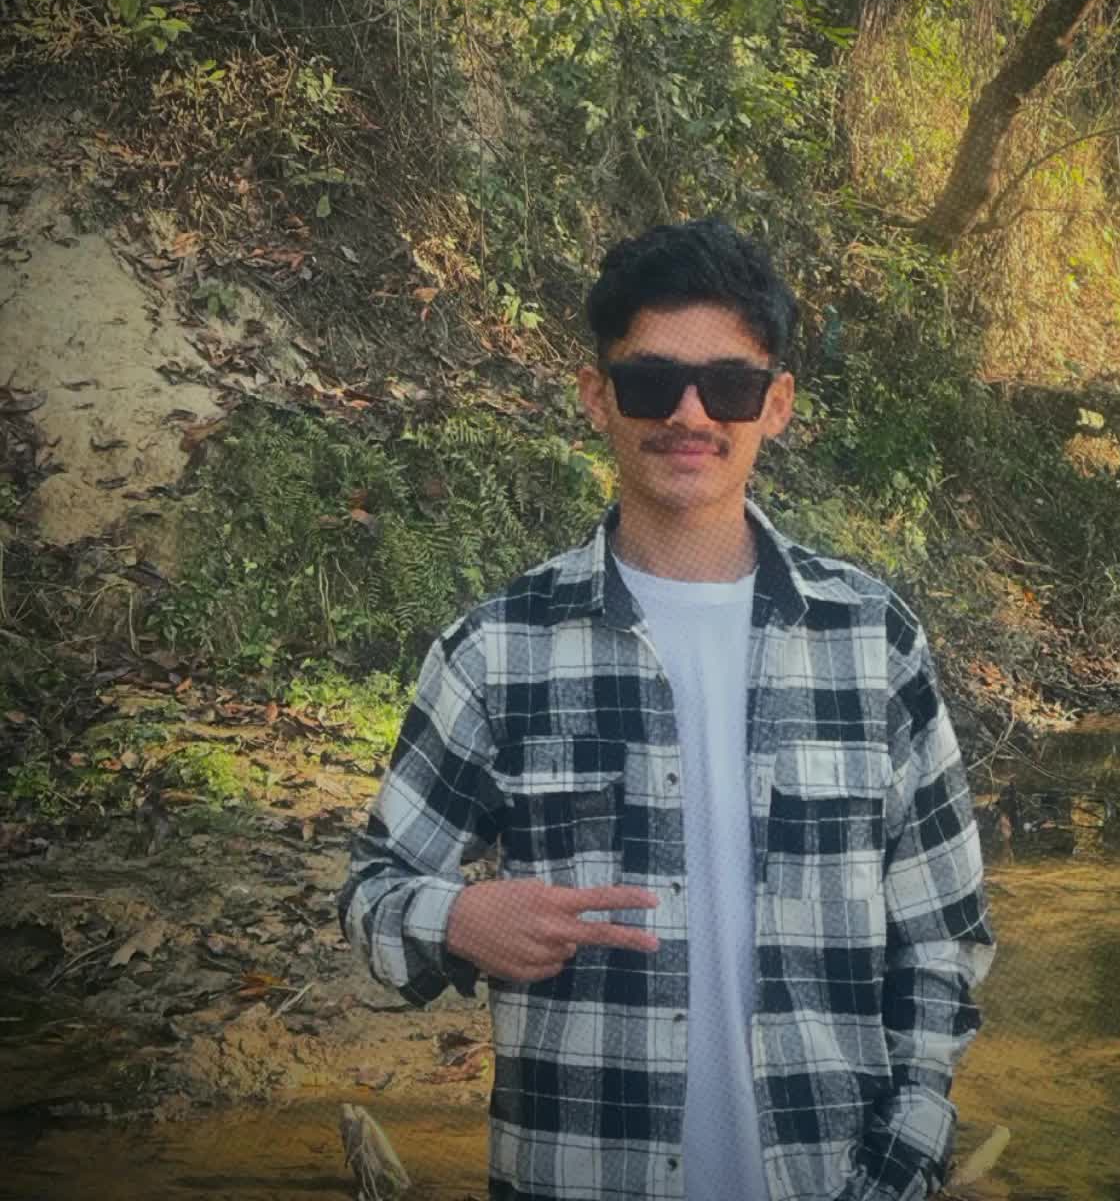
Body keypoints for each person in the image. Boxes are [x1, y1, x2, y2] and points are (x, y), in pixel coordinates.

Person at [338, 218, 996, 1201]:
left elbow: (944, 936)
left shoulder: (872, 640)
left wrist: (907, 1149)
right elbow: (373, 890)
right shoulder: (499, 650)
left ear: (776, 405)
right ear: (596, 395)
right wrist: (460, 918)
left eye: (728, 385)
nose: (690, 413)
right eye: (651, 382)